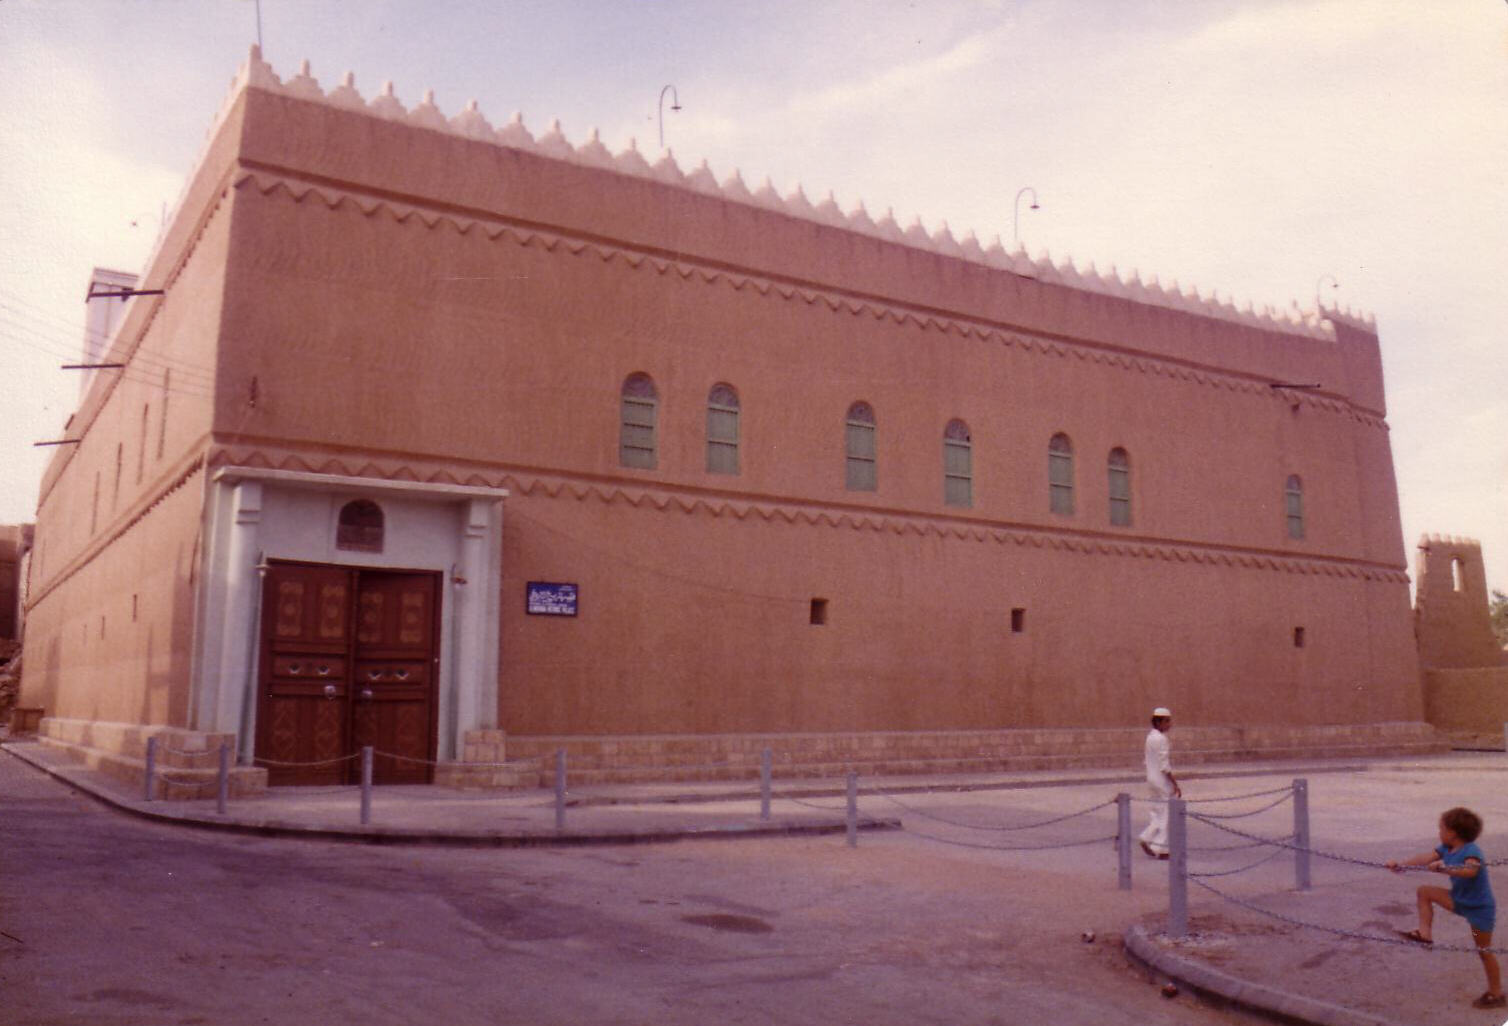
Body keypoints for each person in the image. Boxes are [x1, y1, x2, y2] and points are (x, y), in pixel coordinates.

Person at [1387, 806, 1504, 1010]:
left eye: (1441, 829)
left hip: (1479, 910)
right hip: (1458, 900)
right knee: (1424, 891)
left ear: (1453, 833)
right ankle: (1425, 934)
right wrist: (1402, 865)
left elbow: (1470, 871)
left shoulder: (1471, 851)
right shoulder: (1446, 848)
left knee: (1484, 951)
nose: (1438, 832)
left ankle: (1497, 993)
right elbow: (1425, 857)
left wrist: (1443, 868)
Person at [1138, 706, 1180, 859]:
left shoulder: (1149, 737)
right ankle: (1159, 848)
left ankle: (1146, 837)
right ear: (1160, 722)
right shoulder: (1162, 739)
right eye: (1167, 721)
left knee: (1156, 812)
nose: (1169, 725)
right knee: (1165, 815)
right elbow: (1164, 765)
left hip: (1150, 779)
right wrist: (1174, 783)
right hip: (1161, 781)